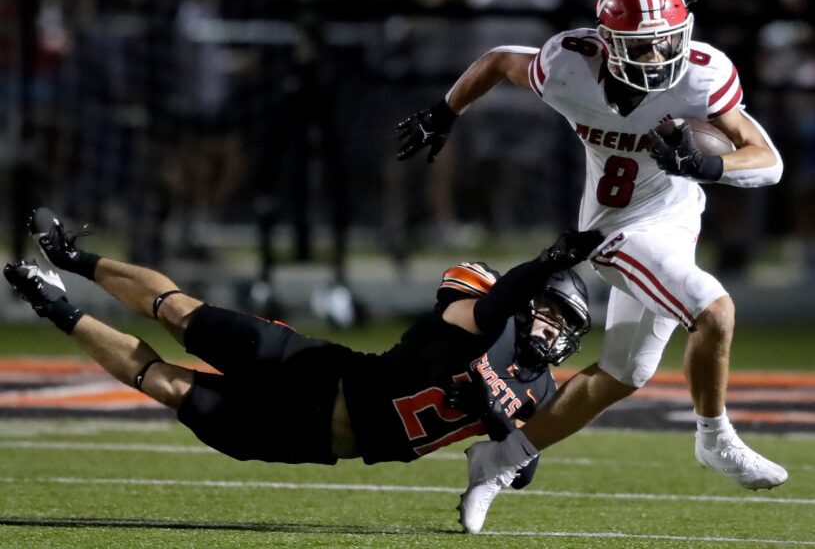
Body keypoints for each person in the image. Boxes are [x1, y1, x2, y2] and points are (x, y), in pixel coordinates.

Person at [396, 0, 787, 534]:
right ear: (608, 43)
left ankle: (497, 462)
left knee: (623, 374)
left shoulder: (700, 77)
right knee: (714, 311)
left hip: (678, 222)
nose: (657, 56)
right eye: (641, 46)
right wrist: (445, 112)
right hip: (614, 231)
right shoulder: (567, 67)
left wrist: (707, 164)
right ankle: (714, 436)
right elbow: (501, 59)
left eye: (665, 42)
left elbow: (766, 160)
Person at [5, 207, 601, 477]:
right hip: (315, 371)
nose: (556, 333)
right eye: (551, 314)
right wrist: (547, 259)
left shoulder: (543, 393)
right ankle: (73, 255)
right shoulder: (485, 324)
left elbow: (518, 472)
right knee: (181, 313)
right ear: (524, 305)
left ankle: (54, 306)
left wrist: (505, 431)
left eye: (568, 327)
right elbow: (482, 306)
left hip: (312, 439)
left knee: (166, 384)